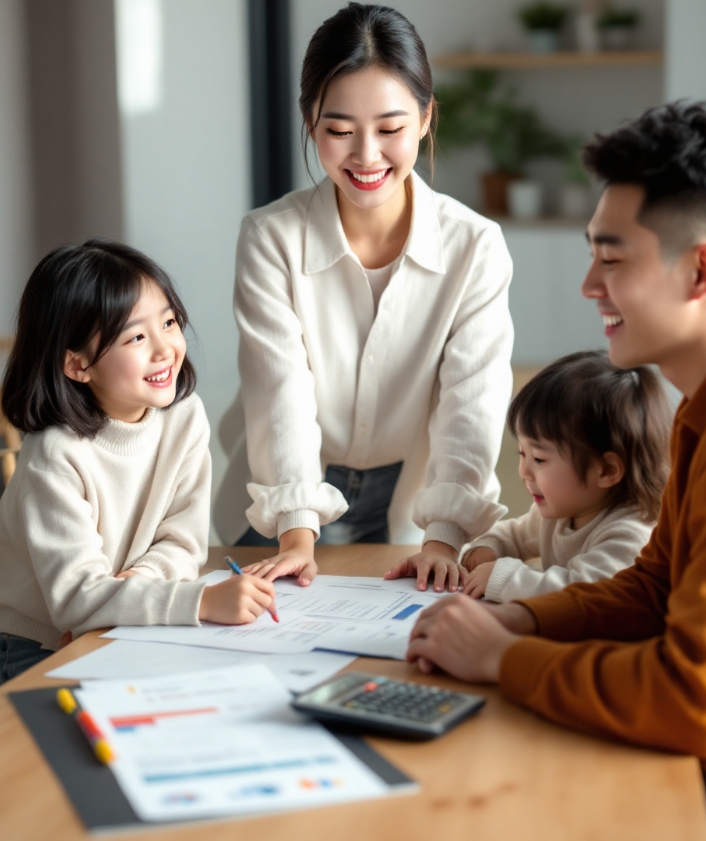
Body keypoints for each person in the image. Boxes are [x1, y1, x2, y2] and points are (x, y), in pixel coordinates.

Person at [406, 101, 706, 770]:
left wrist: (502, 657)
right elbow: (652, 586)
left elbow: (690, 697)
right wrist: (524, 619)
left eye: (611, 260)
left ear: (697, 270)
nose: (587, 286)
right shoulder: (694, 415)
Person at [213, 3, 514, 593]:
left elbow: (471, 404)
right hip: (279, 504)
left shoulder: (475, 246)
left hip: (415, 510)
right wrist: (299, 533)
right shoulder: (270, 237)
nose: (367, 155)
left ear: (426, 119)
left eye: (391, 128)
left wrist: (445, 536)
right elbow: (280, 392)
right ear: (310, 122)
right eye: (340, 131)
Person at [0, 240, 275, 683]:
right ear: (77, 364)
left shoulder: (184, 419)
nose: (165, 348)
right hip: (36, 646)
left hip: (117, 623)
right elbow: (75, 601)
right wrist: (200, 602)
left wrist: (134, 585)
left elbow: (183, 544)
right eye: (136, 337)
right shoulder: (54, 456)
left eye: (168, 322)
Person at [462, 350, 672, 602]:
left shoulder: (629, 536)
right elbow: (514, 534)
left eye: (539, 459)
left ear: (606, 470)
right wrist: (489, 547)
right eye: (522, 453)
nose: (524, 471)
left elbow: (582, 595)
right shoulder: (563, 512)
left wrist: (502, 578)